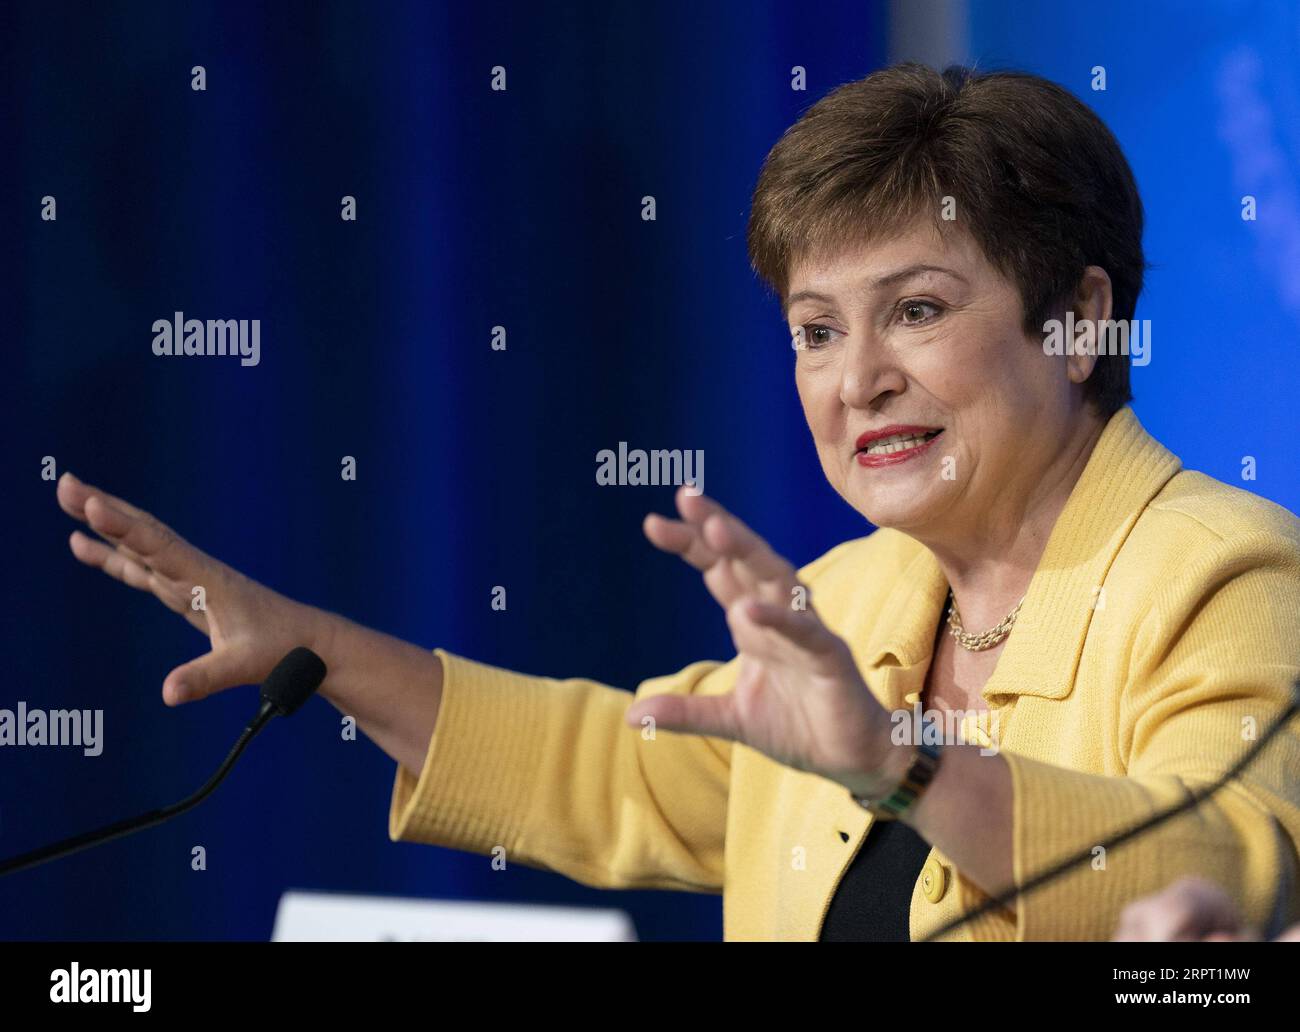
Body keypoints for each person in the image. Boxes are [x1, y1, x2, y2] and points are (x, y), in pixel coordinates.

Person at [53, 64, 1300, 941]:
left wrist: (895, 765)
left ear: (1079, 320)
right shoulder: (854, 594)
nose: (857, 380)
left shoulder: (1227, 572)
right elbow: (610, 767)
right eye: (815, 332)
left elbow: (1229, 876)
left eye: (914, 312)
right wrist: (312, 651)